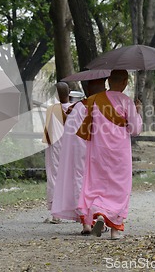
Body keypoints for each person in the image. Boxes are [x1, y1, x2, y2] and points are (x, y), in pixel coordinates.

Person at [76, 70, 142, 240]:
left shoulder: (96, 100)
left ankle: (99, 213)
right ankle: (115, 230)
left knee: (98, 184)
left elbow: (87, 124)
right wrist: (138, 111)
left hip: (98, 151)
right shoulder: (126, 101)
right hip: (119, 152)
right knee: (119, 187)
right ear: (125, 82)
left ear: (109, 81)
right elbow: (135, 129)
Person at [51, 78, 107, 235]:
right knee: (98, 184)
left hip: (79, 153)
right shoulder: (106, 108)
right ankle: (99, 218)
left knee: (80, 184)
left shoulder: (78, 107)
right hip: (100, 154)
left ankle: (86, 224)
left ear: (88, 90)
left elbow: (69, 134)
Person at [42, 82, 72, 223]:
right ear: (69, 92)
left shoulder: (52, 109)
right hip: (72, 148)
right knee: (73, 178)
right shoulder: (76, 109)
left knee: (54, 177)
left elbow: (47, 134)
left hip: (55, 147)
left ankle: (56, 214)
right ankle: (76, 212)